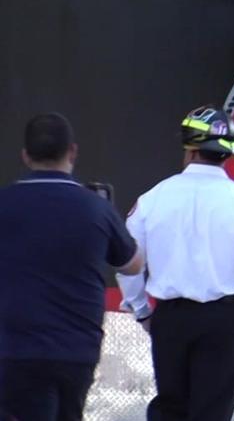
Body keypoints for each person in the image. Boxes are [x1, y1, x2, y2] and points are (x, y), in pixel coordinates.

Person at [117, 105, 234, 421]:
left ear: (189, 150)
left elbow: (128, 261)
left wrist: (142, 311)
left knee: (170, 411)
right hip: (223, 322)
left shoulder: (152, 199)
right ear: (228, 155)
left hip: (170, 320)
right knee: (212, 414)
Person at [0, 112, 144, 421]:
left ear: (25, 156)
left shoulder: (5, 203)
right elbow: (133, 264)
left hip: (15, 348)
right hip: (77, 349)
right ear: (73, 152)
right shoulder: (96, 208)